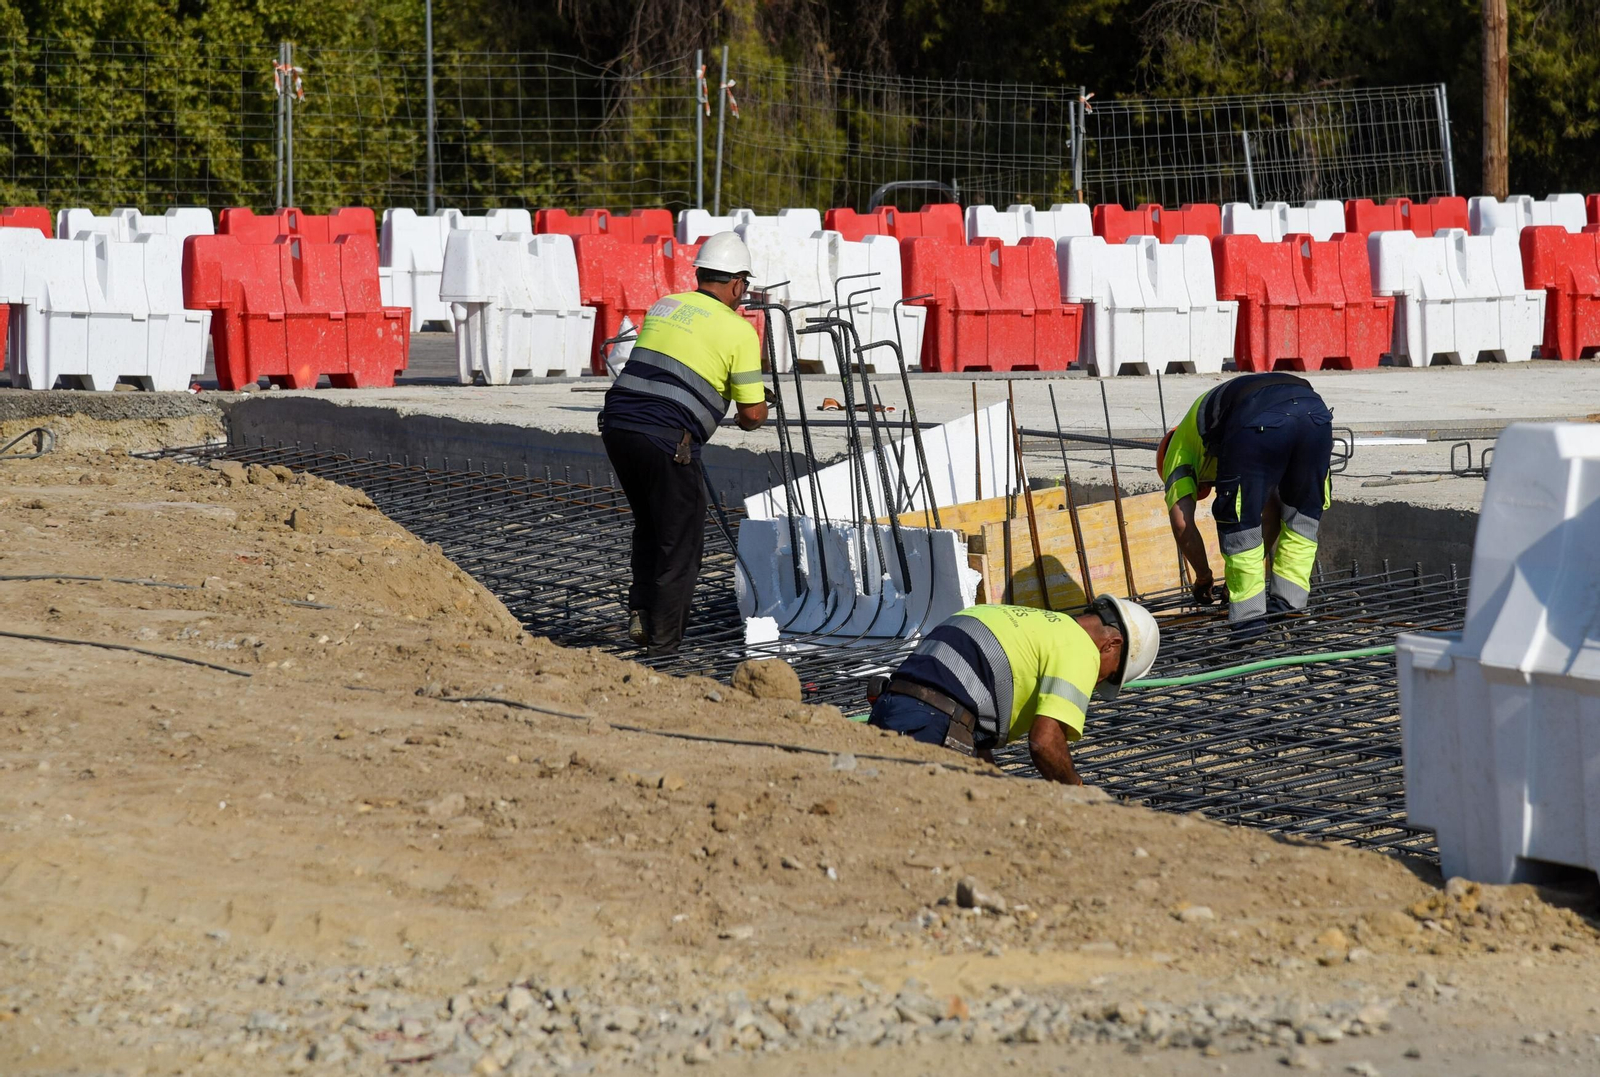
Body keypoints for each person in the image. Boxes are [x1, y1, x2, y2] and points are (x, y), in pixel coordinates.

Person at [598, 232, 768, 656]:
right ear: (737, 283)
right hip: (665, 437)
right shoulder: (739, 330)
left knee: (652, 526)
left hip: (618, 425)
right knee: (681, 544)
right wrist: (752, 408)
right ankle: (663, 649)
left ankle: (642, 610)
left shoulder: (666, 305)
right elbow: (752, 415)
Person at [866, 598, 1160, 785]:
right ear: (1112, 645)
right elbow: (1045, 743)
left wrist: (997, 787)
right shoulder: (1081, 647)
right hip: (929, 725)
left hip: (889, 709)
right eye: (1108, 676)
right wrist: (1079, 794)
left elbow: (966, 724)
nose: (1096, 684)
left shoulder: (1020, 621)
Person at [1157, 372, 1334, 634]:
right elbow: (1272, 512)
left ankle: (1249, 626)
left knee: (1239, 523)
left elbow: (1182, 523)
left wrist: (1204, 577)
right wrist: (1241, 575)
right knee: (1302, 517)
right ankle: (1287, 610)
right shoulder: (1215, 432)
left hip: (1257, 419)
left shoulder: (1176, 451)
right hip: (1315, 416)